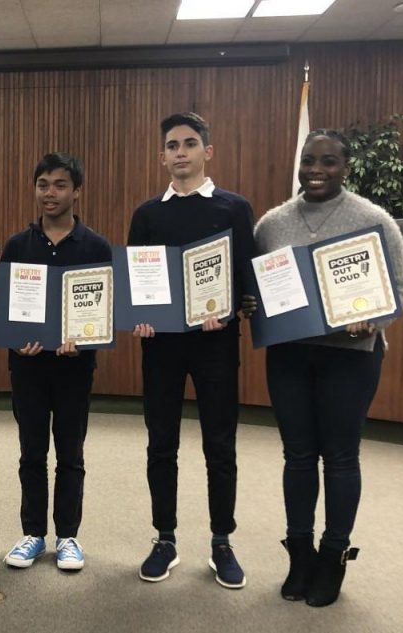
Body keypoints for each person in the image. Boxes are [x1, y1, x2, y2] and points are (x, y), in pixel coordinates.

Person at [254, 129, 403, 607]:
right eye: (308, 160)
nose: (316, 169)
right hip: (290, 355)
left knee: (340, 457)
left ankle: (333, 555)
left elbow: (398, 291)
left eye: (328, 161)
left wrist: (375, 317)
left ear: (345, 166)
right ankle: (299, 554)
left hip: (351, 356)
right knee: (298, 456)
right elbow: (257, 288)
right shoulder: (271, 225)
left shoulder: (374, 220)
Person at [128, 112, 255, 589]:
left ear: (208, 151)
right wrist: (139, 314)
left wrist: (231, 309)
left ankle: (222, 541)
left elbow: (246, 276)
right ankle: (165, 538)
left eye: (189, 143)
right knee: (161, 443)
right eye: (172, 145)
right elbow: (137, 279)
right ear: (162, 156)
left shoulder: (233, 208)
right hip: (161, 346)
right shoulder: (147, 214)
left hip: (216, 344)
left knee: (219, 445)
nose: (179, 152)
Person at [0, 153, 112, 571]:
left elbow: (102, 311)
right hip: (28, 368)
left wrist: (84, 341)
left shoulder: (96, 247)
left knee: (70, 454)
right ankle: (32, 533)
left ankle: (68, 536)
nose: (50, 192)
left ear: (76, 192)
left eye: (60, 185)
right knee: (31, 453)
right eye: (43, 184)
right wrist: (16, 343)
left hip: (74, 369)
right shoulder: (18, 245)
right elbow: (8, 312)